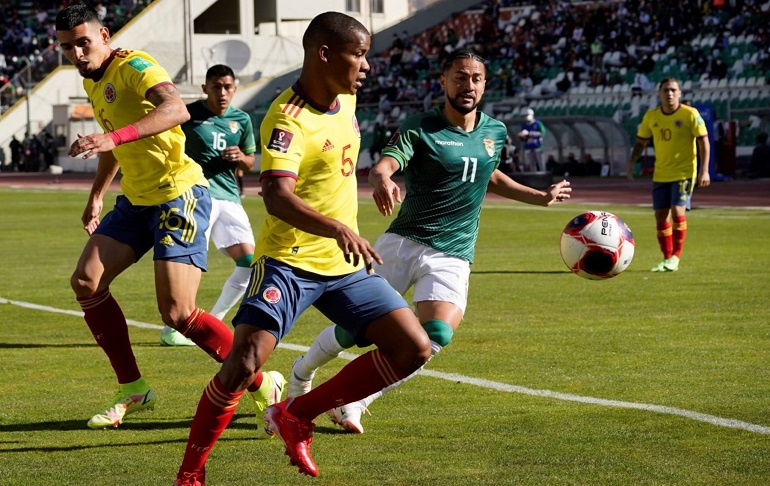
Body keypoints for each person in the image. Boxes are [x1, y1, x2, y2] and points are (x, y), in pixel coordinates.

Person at [174, 12, 432, 483]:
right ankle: (190, 474)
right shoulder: (286, 119)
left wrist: (378, 180)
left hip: (344, 266)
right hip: (288, 264)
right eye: (359, 55)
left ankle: (297, 414)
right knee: (243, 364)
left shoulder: (347, 100)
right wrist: (337, 227)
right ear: (325, 55)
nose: (367, 66)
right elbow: (275, 195)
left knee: (414, 347)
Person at [286, 50, 571, 435]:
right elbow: (387, 163)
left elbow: (490, 173)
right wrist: (382, 179)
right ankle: (301, 372)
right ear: (442, 80)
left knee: (435, 336)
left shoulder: (495, 131)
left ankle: (357, 401)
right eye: (459, 76)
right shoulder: (420, 126)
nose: (467, 85)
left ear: (484, 84)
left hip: (453, 252)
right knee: (355, 331)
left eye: (475, 78)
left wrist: (540, 196)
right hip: (403, 243)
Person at [56, 4, 283, 430]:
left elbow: (175, 109)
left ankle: (260, 380)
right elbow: (113, 148)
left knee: (177, 313)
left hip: (179, 195)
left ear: (104, 35)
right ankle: (134, 388)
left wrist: (111, 136)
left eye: (83, 43)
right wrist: (96, 196)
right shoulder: (94, 80)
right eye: (68, 47)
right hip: (135, 200)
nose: (77, 54)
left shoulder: (135, 66)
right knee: (85, 282)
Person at [159, 64, 259, 347]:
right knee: (188, 264)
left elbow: (251, 162)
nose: (223, 92)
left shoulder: (242, 120)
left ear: (235, 88)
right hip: (195, 196)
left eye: (228, 87)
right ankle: (173, 326)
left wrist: (240, 157)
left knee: (250, 263)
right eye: (216, 86)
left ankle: (212, 321)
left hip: (229, 197)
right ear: (205, 88)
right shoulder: (188, 116)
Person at [626, 77, 710, 272]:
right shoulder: (651, 117)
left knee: (677, 211)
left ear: (680, 93)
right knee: (660, 216)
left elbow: (703, 142)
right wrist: (631, 163)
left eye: (673, 90)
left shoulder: (690, 114)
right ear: (659, 93)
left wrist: (704, 170)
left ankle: (675, 257)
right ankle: (666, 259)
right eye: (665, 90)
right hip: (661, 174)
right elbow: (641, 142)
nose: (669, 93)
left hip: (684, 172)